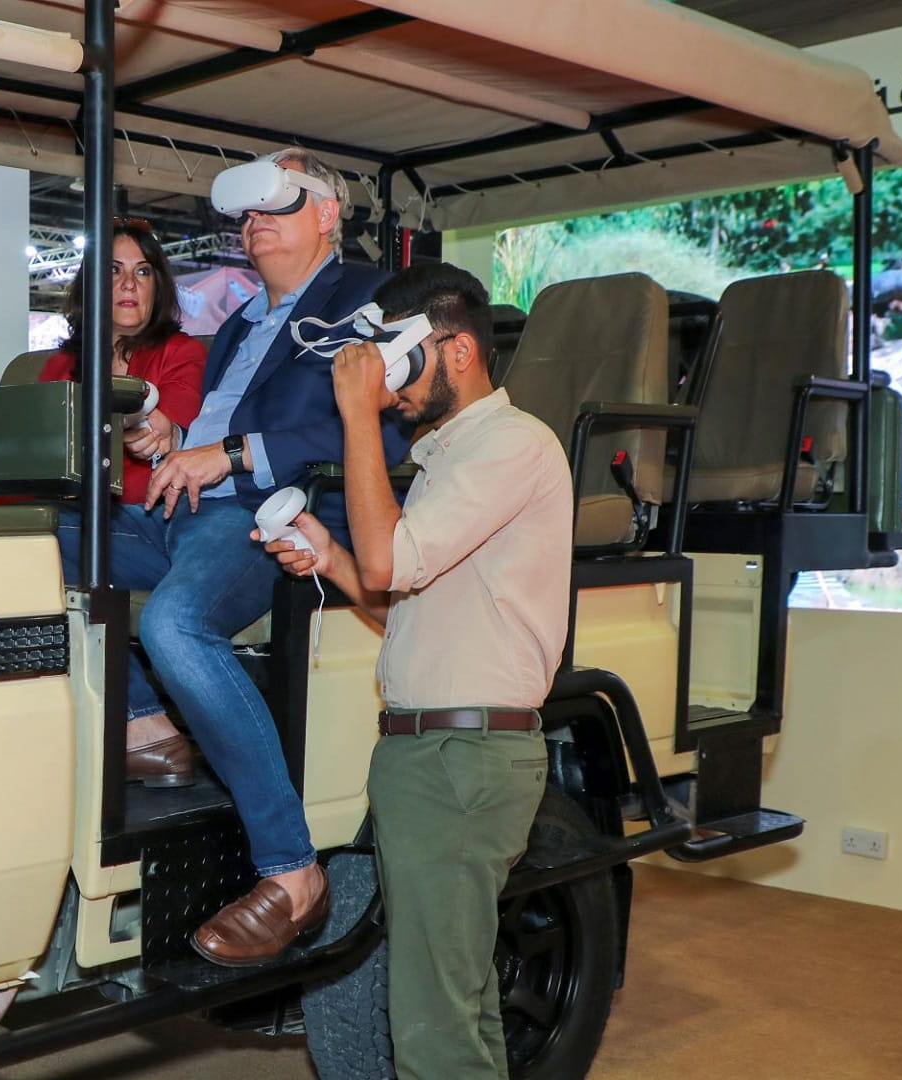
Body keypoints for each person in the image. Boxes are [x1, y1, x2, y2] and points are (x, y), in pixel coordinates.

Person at [55, 148, 413, 967]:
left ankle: (292, 871)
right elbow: (213, 430)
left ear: (327, 213)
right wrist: (174, 438)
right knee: (36, 543)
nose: (253, 224)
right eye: (246, 214)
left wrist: (229, 455)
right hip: (183, 508)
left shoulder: (370, 299)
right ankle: (146, 724)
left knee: (176, 625)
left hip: (262, 513)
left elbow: (385, 433)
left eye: (273, 206)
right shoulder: (242, 322)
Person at [258, 262, 573, 1079]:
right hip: (433, 756)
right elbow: (403, 608)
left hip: (459, 761)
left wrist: (357, 417)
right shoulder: (451, 457)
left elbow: (392, 560)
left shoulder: (512, 444)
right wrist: (328, 554)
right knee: (457, 1006)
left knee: (433, 1029)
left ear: (459, 351)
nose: (390, 387)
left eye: (401, 362)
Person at [39, 218, 205, 504]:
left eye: (142, 271)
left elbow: (176, 434)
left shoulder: (183, 353)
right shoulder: (58, 365)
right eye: (113, 270)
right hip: (64, 506)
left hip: (142, 511)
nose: (129, 284)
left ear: (157, 287)